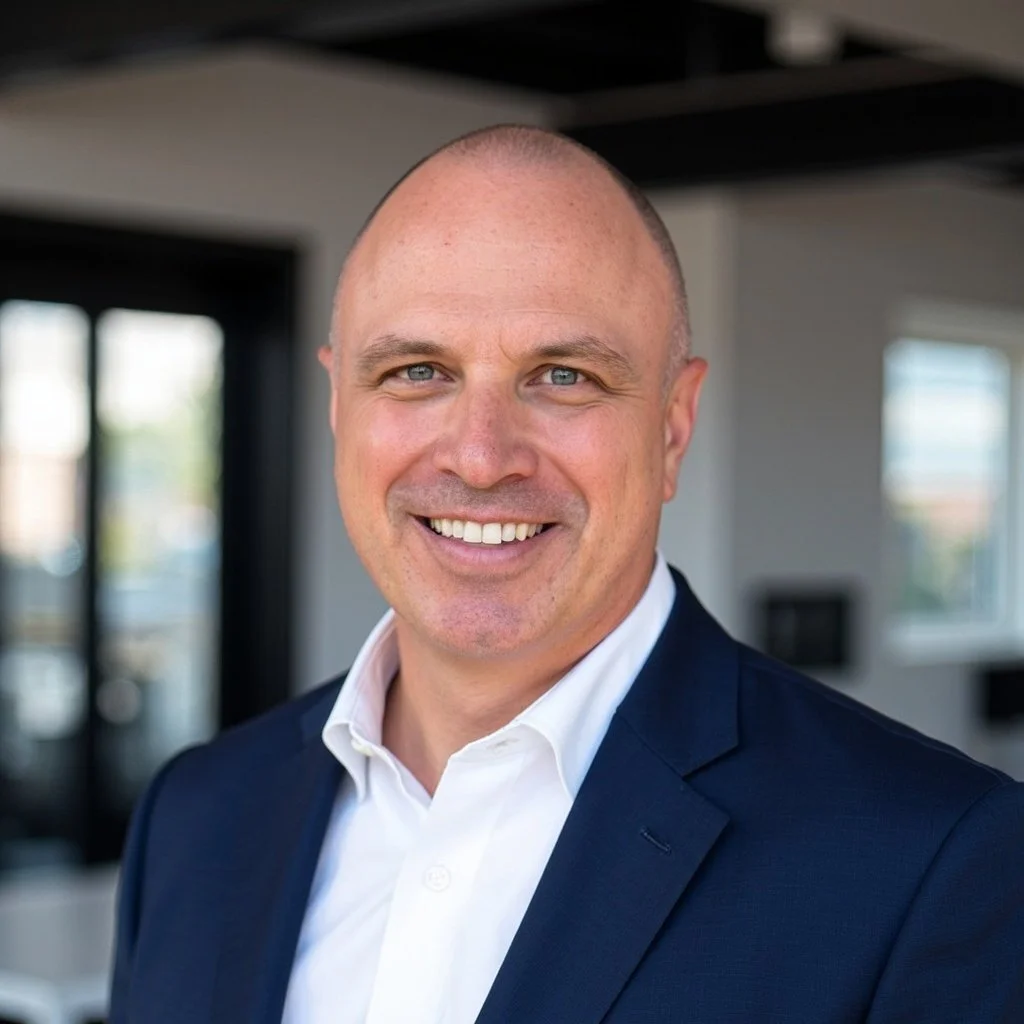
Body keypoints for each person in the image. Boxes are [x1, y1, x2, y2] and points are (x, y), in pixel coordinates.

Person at [109, 124, 1024, 1024]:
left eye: (563, 377)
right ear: (339, 404)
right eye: (419, 370)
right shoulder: (196, 816)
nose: (479, 456)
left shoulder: (931, 862)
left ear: (672, 426)